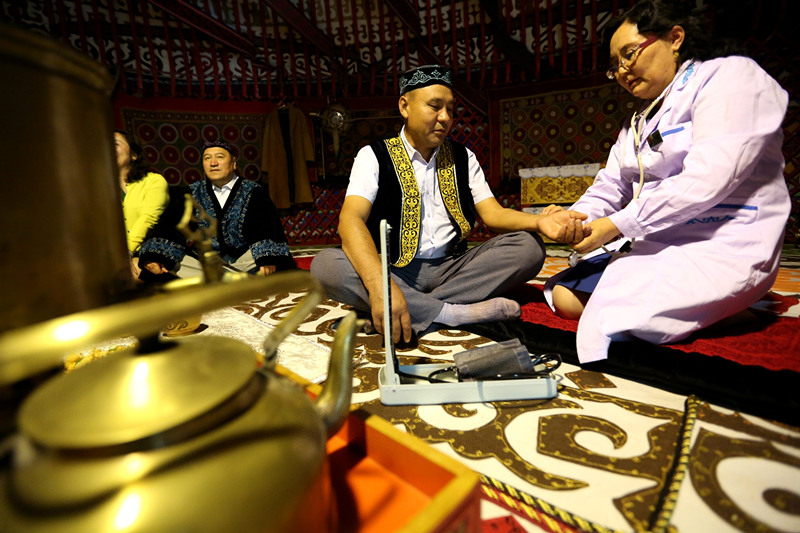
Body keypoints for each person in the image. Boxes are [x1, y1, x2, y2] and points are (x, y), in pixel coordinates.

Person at [543, 0, 790, 363]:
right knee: (566, 295)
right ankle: (707, 310)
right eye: (615, 65)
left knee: (611, 316)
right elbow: (610, 185)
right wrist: (575, 219)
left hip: (723, 243)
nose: (623, 71)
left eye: (629, 54)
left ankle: (727, 306)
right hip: (659, 240)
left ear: (675, 38)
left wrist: (616, 225)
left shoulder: (730, 76)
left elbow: (708, 179)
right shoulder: (638, 121)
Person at [310, 65, 588, 343]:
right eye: (434, 107)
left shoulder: (463, 157)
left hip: (454, 269)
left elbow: (493, 213)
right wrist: (381, 286)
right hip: (394, 270)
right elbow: (350, 220)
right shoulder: (373, 156)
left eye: (450, 110)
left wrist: (539, 222)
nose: (445, 118)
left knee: (529, 247)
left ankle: (409, 308)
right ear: (405, 106)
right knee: (325, 266)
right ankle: (452, 313)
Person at [138, 139, 296, 277]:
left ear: (233, 163)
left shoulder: (253, 191)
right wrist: (155, 255)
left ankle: (219, 281)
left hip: (243, 260)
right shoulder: (191, 193)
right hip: (205, 262)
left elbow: (267, 227)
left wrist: (267, 258)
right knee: (173, 260)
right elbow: (170, 226)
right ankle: (236, 281)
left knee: (266, 256)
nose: (213, 163)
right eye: (207, 158)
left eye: (220, 157)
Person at [115, 130, 169, 280]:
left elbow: (149, 218)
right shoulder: (99, 189)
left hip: (151, 251)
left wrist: (126, 252)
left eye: (115, 144)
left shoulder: (154, 181)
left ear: (133, 155)